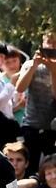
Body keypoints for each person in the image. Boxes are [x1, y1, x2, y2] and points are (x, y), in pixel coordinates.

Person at [15, 31, 56, 173]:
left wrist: (53, 70)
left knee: (51, 167)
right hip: (31, 124)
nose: (52, 47)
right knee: (30, 167)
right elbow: (20, 87)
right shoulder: (30, 64)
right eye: (49, 43)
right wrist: (34, 65)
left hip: (52, 126)